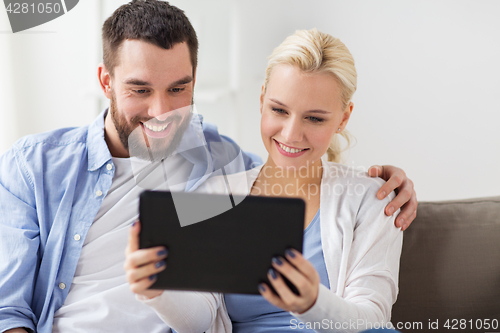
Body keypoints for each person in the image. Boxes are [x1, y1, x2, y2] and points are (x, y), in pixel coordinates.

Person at [0, 1, 415, 333]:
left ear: (195, 82)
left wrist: (383, 183)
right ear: (106, 82)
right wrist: (154, 288)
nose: (161, 112)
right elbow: (8, 310)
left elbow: (290, 167)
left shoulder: (216, 163)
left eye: (178, 88)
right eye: (140, 89)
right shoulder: (34, 166)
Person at [125, 28, 404, 333]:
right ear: (262, 101)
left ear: (343, 118)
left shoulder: (371, 198)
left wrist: (311, 303)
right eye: (279, 110)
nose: (291, 134)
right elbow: (201, 318)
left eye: (315, 118)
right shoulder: (217, 195)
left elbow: (373, 319)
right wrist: (156, 291)